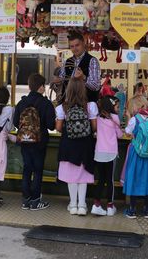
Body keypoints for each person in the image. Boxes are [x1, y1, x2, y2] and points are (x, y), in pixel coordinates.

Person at [13, 73, 56, 210]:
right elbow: (51, 126)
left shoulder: (21, 103)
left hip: (25, 142)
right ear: (41, 87)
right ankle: (36, 201)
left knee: (27, 169)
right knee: (37, 171)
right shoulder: (45, 103)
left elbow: (15, 123)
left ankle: (26, 200)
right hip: (39, 142)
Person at [55, 78, 97, 216]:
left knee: (71, 175)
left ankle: (73, 205)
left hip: (69, 144)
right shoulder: (90, 106)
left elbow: (59, 128)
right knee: (83, 174)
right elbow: (94, 127)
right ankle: (82, 205)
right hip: (85, 143)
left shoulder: (62, 107)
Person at [123, 95, 148, 219]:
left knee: (134, 177)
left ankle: (132, 210)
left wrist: (128, 117)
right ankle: (147, 210)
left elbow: (127, 132)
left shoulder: (135, 119)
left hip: (136, 153)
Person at [91, 95, 123, 216]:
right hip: (111, 153)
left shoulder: (98, 118)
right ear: (111, 105)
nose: (119, 108)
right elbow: (119, 135)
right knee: (109, 180)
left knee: (100, 180)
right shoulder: (115, 118)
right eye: (117, 106)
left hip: (99, 153)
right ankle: (110, 206)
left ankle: (96, 204)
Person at [56, 32, 101, 103]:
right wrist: (57, 82)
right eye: (72, 46)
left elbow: (96, 86)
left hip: (87, 105)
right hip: (68, 104)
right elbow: (61, 81)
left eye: (77, 45)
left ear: (83, 44)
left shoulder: (92, 61)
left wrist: (83, 77)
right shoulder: (67, 61)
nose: (74, 49)